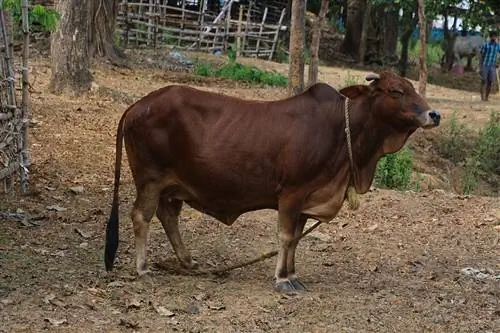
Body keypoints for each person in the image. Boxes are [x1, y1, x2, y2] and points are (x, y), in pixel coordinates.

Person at [478, 31, 500, 101]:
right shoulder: (486, 45)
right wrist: (480, 66)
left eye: (495, 36)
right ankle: (482, 97)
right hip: (485, 65)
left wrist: (498, 63)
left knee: (490, 82)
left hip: (492, 66)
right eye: (493, 36)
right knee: (483, 81)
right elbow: (481, 55)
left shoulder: (497, 46)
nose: (494, 38)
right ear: (490, 37)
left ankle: (486, 97)